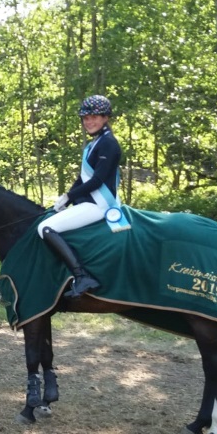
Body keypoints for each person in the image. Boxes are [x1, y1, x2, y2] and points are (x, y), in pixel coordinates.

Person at [37, 94, 125, 298]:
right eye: (85, 118)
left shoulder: (109, 144)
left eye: (94, 117)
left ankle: (81, 276)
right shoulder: (96, 142)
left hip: (100, 204)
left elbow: (97, 181)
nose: (89, 122)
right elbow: (83, 178)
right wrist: (63, 200)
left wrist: (69, 197)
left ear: (105, 117)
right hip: (90, 200)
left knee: (45, 228)